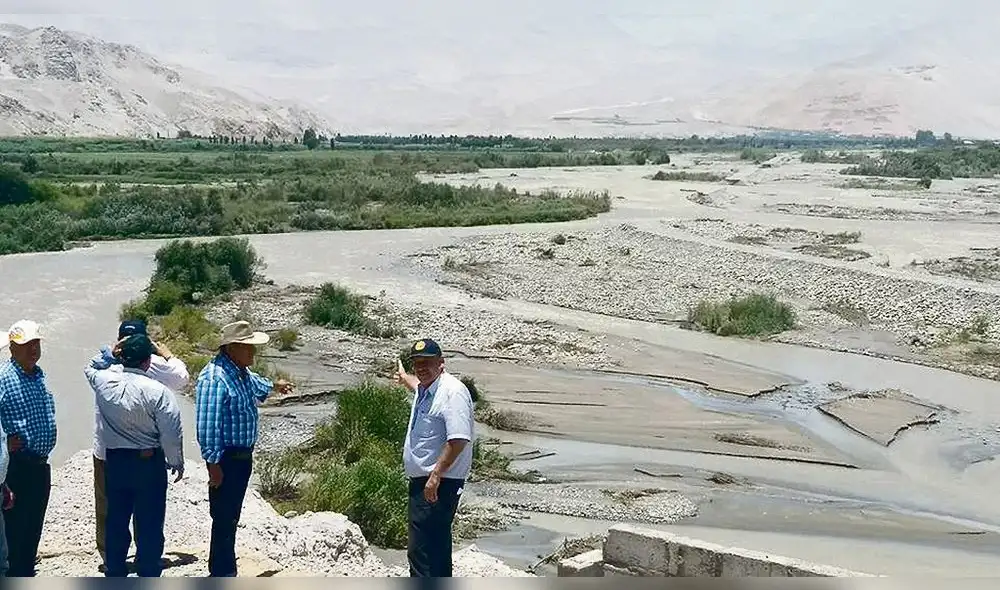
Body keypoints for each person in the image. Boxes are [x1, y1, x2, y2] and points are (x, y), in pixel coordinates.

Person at [90, 320, 189, 572]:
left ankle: (114, 570)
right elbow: (171, 432)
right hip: (148, 463)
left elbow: (90, 367)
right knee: (149, 522)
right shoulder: (158, 391)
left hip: (115, 462)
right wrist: (175, 460)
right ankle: (147, 570)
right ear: (148, 362)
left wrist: (108, 353)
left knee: (116, 520)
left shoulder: (103, 383)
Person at [195, 321, 293, 577]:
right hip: (226, 460)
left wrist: (276, 386)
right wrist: (213, 465)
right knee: (224, 518)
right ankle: (222, 574)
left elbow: (259, 387)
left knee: (230, 518)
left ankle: (225, 570)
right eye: (248, 347)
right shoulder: (215, 377)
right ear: (232, 348)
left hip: (240, 459)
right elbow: (207, 426)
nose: (253, 353)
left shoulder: (240, 372)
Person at [396, 338, 474, 578]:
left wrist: (435, 476)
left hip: (439, 483)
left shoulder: (452, 392)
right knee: (431, 547)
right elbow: (416, 383)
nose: (421, 367)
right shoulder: (426, 388)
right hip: (426, 481)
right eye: (417, 363)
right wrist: (404, 378)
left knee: (425, 550)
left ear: (441, 363)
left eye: (427, 362)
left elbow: (458, 439)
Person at [0, 320, 57, 577]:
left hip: (40, 465)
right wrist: (2, 442)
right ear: (12, 348)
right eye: (26, 345)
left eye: (36, 344)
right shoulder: (3, 378)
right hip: (15, 467)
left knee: (33, 529)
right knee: (14, 532)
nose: (33, 349)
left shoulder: (39, 374)